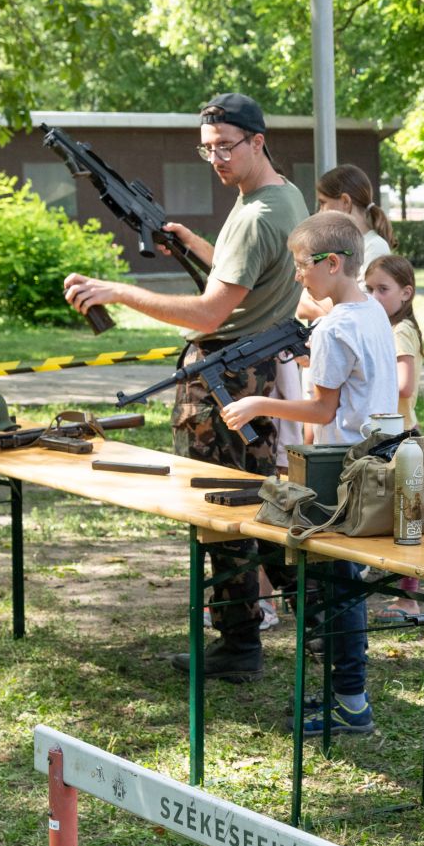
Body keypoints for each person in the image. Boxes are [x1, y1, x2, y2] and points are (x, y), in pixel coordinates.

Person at [62, 93, 308, 680]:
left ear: (257, 140)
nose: (217, 159)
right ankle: (317, 618)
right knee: (259, 503)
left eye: (226, 147)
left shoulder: (254, 216)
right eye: (207, 150)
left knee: (219, 511)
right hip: (252, 371)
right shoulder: (282, 195)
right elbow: (252, 271)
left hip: (224, 378)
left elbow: (207, 315)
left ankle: (239, 644)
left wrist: (118, 292)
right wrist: (195, 245)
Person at [219, 210, 398, 735]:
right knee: (344, 587)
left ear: (332, 263)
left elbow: (321, 412)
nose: (298, 275)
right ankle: (351, 696)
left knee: (337, 590)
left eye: (302, 265)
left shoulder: (334, 327)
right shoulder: (371, 314)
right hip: (378, 460)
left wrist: (258, 403)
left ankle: (350, 701)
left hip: (341, 471)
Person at [364, 253, 424, 622]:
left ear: (406, 293)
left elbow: (403, 385)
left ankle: (408, 599)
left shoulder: (400, 331)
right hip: (387, 436)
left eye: (382, 289)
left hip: (402, 438)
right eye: (369, 288)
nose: (374, 296)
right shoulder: (385, 326)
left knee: (407, 519)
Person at [315, 164, 397, 269]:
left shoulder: (374, 247)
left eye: (323, 203)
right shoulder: (341, 247)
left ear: (345, 202)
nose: (319, 212)